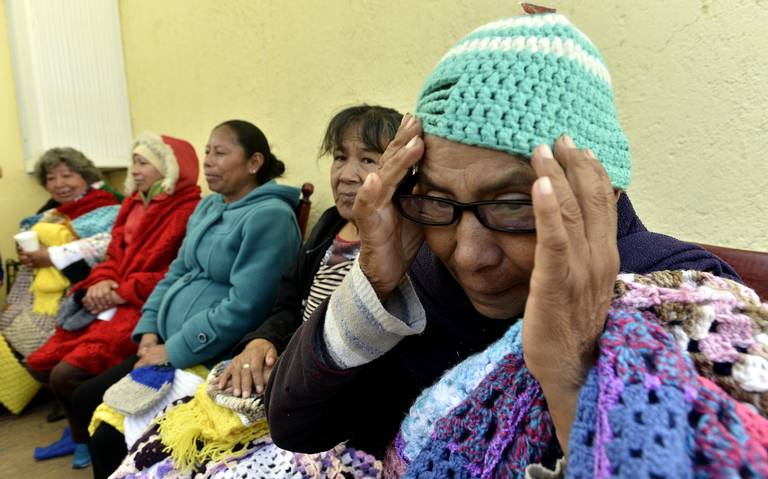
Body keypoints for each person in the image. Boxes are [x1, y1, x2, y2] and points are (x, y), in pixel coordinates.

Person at [266, 10, 766, 477]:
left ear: (600, 193)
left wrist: (571, 373)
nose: (469, 254)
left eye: (513, 207)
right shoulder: (418, 273)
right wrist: (371, 285)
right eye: (439, 200)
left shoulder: (677, 294)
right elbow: (298, 428)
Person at [101, 105, 403, 479]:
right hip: (281, 376)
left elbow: (369, 349)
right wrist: (262, 341)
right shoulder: (330, 225)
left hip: (329, 407)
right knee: (150, 445)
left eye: (368, 160)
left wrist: (178, 349)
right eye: (340, 157)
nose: (346, 174)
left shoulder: (400, 247)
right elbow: (288, 303)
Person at [72, 119, 302, 478]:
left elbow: (247, 306)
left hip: (209, 354)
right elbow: (175, 271)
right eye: (207, 151)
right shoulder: (209, 208)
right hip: (166, 345)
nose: (208, 161)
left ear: (254, 162)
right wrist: (149, 330)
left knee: (105, 437)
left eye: (221, 153)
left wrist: (172, 350)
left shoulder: (270, 216)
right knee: (86, 398)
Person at [27, 132, 202, 469]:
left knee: (66, 375)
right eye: (133, 161)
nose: (134, 170)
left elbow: (176, 273)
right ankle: (79, 429)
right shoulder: (133, 203)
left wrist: (121, 290)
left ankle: (92, 436)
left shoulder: (188, 210)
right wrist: (102, 279)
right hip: (112, 299)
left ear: (169, 168)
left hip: (143, 307)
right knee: (39, 363)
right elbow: (112, 254)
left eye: (143, 163)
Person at [0, 147, 120, 415]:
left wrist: (51, 256)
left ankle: (74, 404)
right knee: (14, 325)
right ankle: (65, 401)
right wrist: (28, 255)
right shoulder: (51, 213)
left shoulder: (107, 206)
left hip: (91, 288)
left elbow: (105, 249)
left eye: (67, 175)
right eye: (52, 178)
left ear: (85, 176)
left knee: (57, 342)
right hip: (46, 289)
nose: (59, 184)